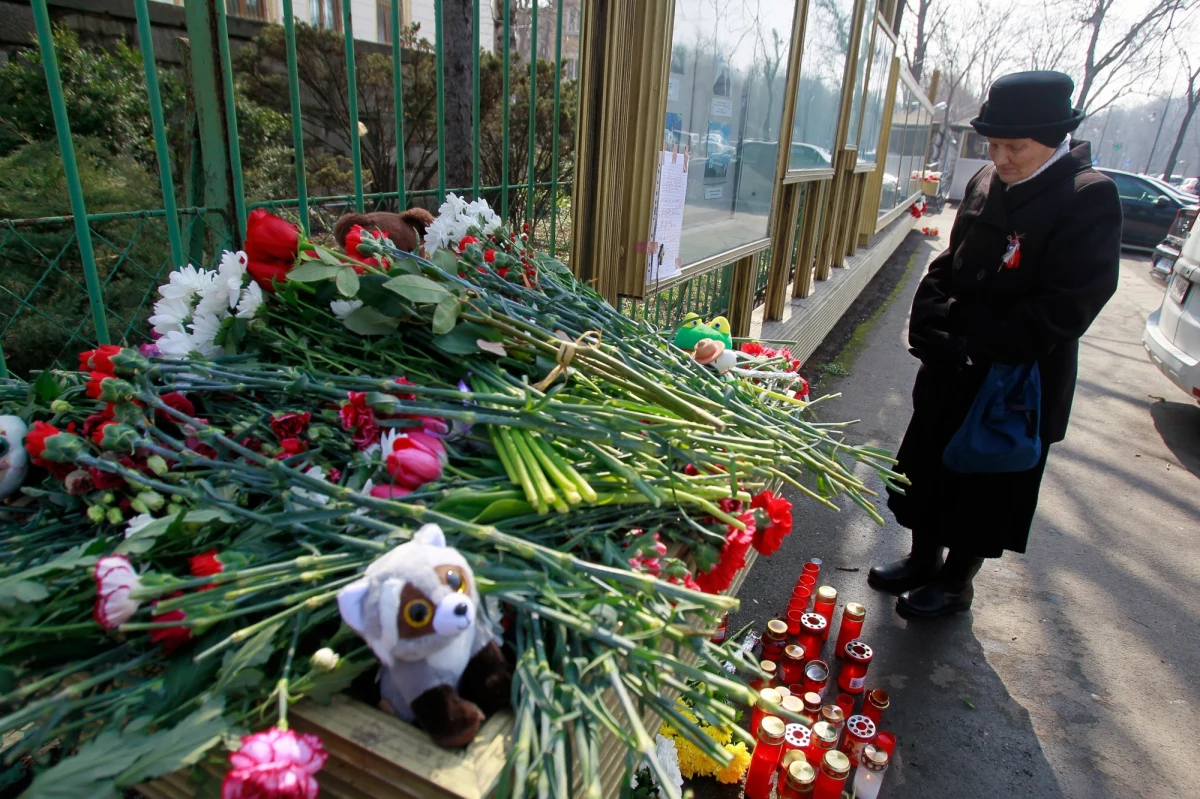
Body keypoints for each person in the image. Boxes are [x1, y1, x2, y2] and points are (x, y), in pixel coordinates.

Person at [869, 71, 1122, 618]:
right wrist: (931, 322)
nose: (1001, 158)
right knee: (929, 466)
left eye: (1016, 147)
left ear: (1053, 141)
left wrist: (974, 342)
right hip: (954, 359)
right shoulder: (987, 180)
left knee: (983, 485)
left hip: (1015, 375)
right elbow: (949, 264)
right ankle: (921, 559)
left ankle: (956, 583)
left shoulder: (1087, 196)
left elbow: (1072, 301)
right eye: (994, 145)